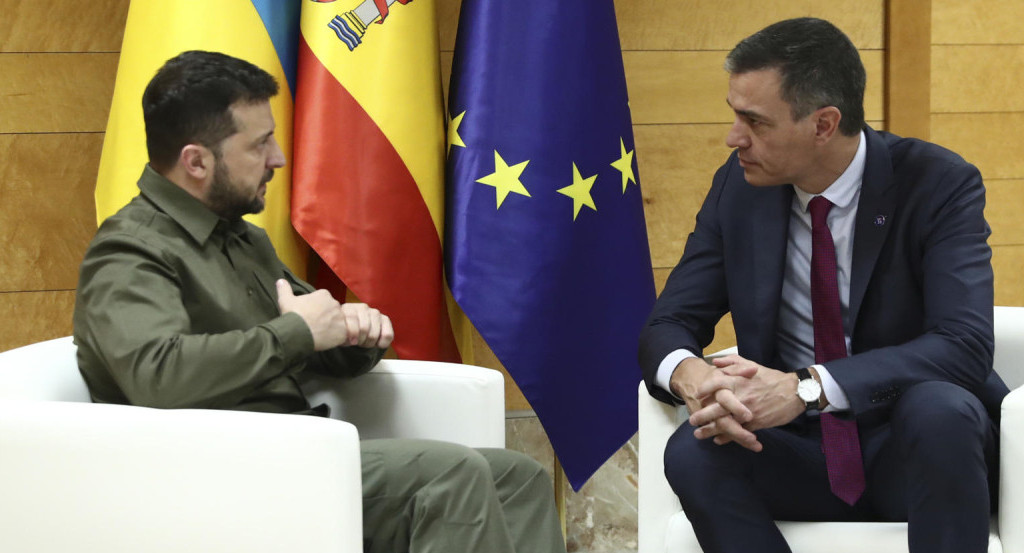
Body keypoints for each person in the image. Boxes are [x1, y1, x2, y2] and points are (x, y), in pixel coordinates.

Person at [74, 50, 566, 553]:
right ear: (196, 161)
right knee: (452, 476)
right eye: (260, 144)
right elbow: (157, 375)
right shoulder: (130, 249)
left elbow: (317, 338)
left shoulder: (243, 240)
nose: (278, 159)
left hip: (297, 453)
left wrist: (354, 334)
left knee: (517, 477)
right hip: (215, 476)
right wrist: (297, 333)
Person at [638, 17, 1007, 553]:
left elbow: (964, 346)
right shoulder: (738, 189)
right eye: (734, 115)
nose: (733, 137)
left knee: (939, 411)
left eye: (754, 121)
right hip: (799, 456)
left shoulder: (938, 183)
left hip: (912, 452)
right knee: (694, 451)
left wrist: (806, 388)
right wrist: (693, 376)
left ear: (824, 123)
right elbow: (668, 323)